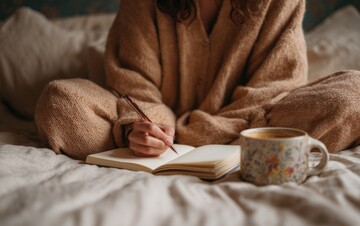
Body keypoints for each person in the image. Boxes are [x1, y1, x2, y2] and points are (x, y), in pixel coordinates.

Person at [35, 0, 360, 160]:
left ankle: (220, 145)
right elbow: (135, 87)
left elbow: (273, 90)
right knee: (60, 103)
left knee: (355, 94)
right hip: (181, 133)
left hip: (253, 124)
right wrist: (143, 128)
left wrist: (193, 134)